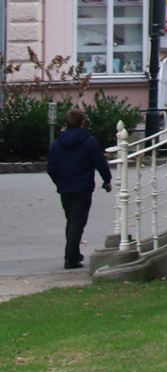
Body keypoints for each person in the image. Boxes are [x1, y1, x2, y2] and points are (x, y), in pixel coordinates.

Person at [45, 105, 112, 270]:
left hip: (65, 188)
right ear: (82, 123)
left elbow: (51, 168)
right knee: (77, 222)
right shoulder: (89, 141)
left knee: (71, 220)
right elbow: (100, 163)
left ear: (66, 123)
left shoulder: (57, 143)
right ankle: (71, 257)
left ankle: (73, 254)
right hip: (83, 187)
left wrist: (59, 182)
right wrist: (107, 180)